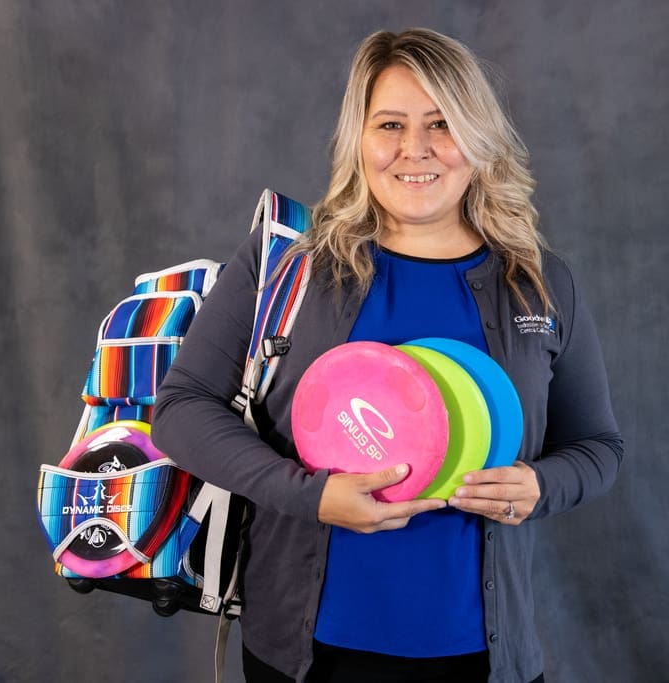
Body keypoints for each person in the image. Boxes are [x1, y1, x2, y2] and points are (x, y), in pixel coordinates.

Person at [152, 28, 623, 683]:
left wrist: (540, 485)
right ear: (360, 140)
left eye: (441, 124)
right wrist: (311, 496)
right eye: (391, 124)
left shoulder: (541, 284)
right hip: (304, 656)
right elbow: (180, 409)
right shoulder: (289, 265)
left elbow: (598, 448)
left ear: (478, 138)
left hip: (480, 660)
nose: (415, 149)